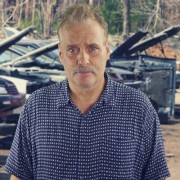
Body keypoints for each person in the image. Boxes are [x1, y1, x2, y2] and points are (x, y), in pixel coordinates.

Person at [5, 3, 169, 180]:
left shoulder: (138, 108)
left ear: (107, 51)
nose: (83, 60)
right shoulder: (37, 107)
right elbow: (20, 175)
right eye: (72, 50)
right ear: (61, 55)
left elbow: (156, 176)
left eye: (93, 48)